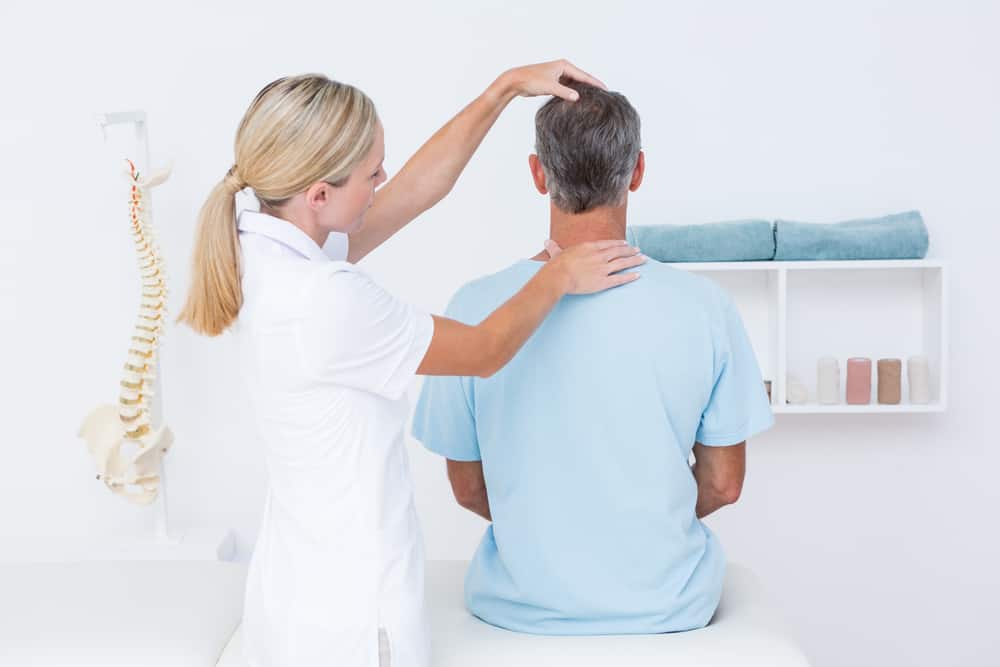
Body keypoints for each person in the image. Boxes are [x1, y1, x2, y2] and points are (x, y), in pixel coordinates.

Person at [177, 64, 646, 667]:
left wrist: (499, 91)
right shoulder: (327, 300)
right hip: (352, 616)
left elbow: (416, 192)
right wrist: (556, 276)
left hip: (295, 593)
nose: (384, 180)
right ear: (319, 195)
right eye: (373, 172)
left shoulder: (263, 243)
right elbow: (483, 352)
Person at [412, 82, 774, 636]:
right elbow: (724, 484)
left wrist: (554, 531)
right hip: (667, 609)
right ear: (637, 171)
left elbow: (467, 487)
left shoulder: (474, 307)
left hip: (518, 611)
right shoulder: (705, 309)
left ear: (537, 174)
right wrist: (635, 525)